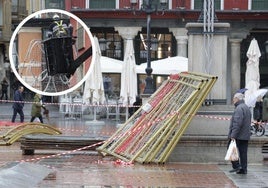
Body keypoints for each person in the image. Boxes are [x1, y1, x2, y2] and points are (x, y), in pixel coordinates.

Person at [228, 92, 251, 174]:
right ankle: (243, 169)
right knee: (243, 152)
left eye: (234, 98)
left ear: (237, 99)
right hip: (245, 135)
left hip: (238, 135)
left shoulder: (239, 108)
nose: (233, 100)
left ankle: (237, 166)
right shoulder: (246, 107)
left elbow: (237, 123)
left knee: (230, 149)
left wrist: (233, 135)